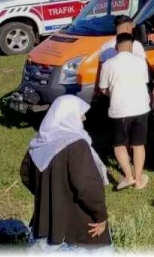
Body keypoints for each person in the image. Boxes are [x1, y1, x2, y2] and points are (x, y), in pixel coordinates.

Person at [20, 96, 111, 251]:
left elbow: (26, 175)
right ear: (69, 116)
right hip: (79, 231)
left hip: (44, 225)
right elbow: (88, 186)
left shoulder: (40, 143)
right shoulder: (77, 146)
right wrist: (101, 216)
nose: (84, 117)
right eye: (80, 114)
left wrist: (48, 196)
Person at [97, 32, 151, 191]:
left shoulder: (108, 64)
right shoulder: (141, 62)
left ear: (116, 47)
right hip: (141, 108)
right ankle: (139, 179)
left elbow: (103, 88)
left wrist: (112, 93)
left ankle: (128, 176)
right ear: (132, 46)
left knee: (120, 144)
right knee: (139, 144)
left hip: (119, 110)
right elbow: (145, 82)